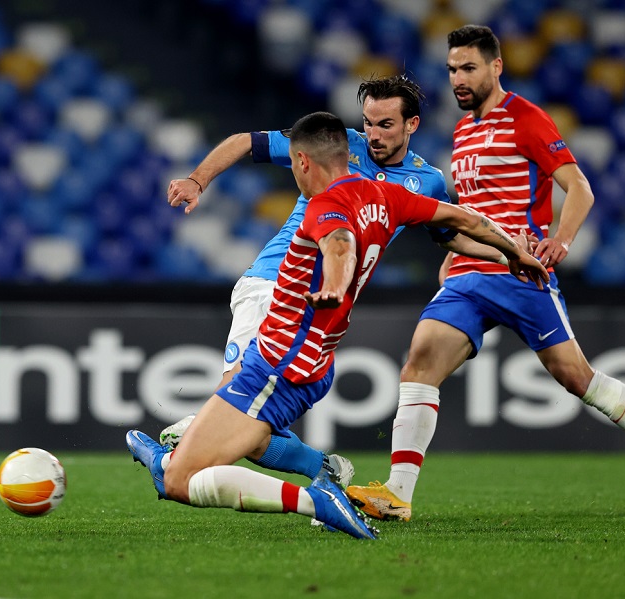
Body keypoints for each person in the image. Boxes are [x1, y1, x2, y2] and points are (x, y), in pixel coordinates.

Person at [126, 110, 549, 540]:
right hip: (315, 361)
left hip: (278, 358)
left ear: (303, 162)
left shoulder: (323, 206)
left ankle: (314, 498)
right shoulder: (389, 196)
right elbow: (467, 220)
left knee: (179, 480)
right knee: (237, 443)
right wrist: (512, 252)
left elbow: (339, 245)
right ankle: (308, 467)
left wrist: (333, 284)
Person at [346, 25, 625, 523]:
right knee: (419, 363)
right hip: (469, 273)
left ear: (496, 67)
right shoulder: (463, 130)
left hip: (520, 272)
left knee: (577, 378)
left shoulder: (526, 118)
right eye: (452, 69)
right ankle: (397, 495)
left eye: (469, 67)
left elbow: (579, 187)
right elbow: (472, 207)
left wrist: (561, 240)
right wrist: (453, 253)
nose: (458, 78)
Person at [159, 75, 510, 490]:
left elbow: (449, 234)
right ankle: (223, 451)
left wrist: (506, 254)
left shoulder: (427, 181)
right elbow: (243, 142)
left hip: (322, 309)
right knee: (240, 401)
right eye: (368, 122)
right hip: (272, 284)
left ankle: (308, 469)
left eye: (385, 125)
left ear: (411, 125)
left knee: (250, 425)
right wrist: (197, 180)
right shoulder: (334, 146)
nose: (373, 134)